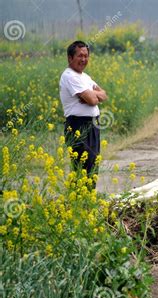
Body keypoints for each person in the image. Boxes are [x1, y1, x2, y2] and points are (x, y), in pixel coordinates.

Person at [59, 40, 108, 188]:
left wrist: (89, 95)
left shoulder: (84, 77)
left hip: (92, 124)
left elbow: (104, 95)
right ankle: (79, 203)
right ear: (70, 58)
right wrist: (92, 96)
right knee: (82, 167)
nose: (83, 59)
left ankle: (86, 203)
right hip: (78, 125)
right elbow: (94, 100)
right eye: (80, 56)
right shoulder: (70, 76)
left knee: (92, 165)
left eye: (86, 56)